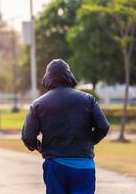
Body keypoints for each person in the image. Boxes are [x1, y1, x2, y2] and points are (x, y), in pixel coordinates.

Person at [21, 59, 110, 194]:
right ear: (69, 76)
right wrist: (89, 142)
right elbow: (103, 126)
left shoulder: (38, 104)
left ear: (47, 78)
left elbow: (27, 137)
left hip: (55, 166)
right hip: (83, 165)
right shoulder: (88, 99)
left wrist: (40, 147)